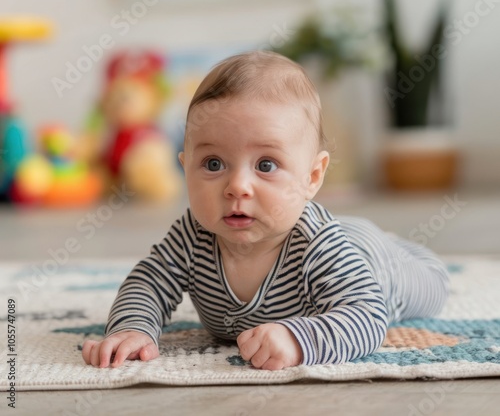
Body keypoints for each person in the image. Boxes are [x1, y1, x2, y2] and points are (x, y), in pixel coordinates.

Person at [82, 51, 449, 370]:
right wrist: (132, 328)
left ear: (313, 176)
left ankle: (396, 245)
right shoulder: (193, 232)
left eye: (266, 165)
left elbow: (368, 318)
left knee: (433, 288)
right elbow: (150, 281)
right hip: (342, 235)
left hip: (375, 262)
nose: (237, 186)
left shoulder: (318, 246)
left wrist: (298, 339)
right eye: (212, 164)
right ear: (185, 166)